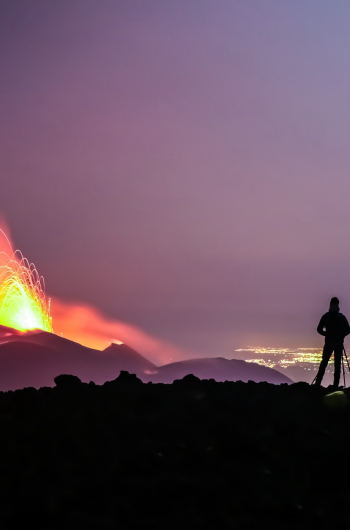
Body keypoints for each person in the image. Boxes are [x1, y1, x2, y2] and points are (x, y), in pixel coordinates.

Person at [315, 297, 350, 387]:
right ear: (338, 305)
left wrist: (326, 333)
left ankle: (317, 383)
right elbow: (348, 330)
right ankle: (335, 385)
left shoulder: (326, 316)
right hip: (338, 343)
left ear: (330, 305)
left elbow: (319, 329)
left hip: (329, 343)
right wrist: (341, 335)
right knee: (337, 364)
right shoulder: (341, 317)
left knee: (324, 362)